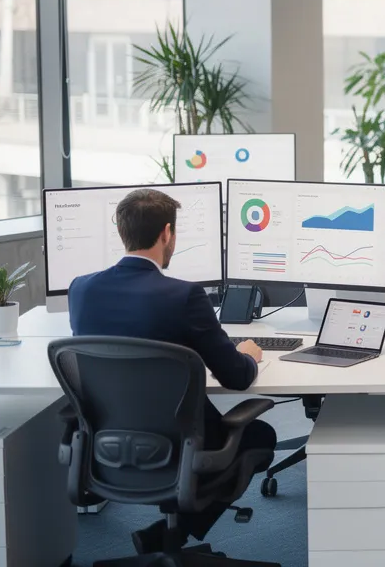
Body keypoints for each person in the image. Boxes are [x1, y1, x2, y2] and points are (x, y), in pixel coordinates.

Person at [68, 189, 275, 555]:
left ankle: (167, 536)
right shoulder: (185, 296)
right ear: (167, 233)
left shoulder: (81, 289)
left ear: (121, 231)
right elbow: (236, 378)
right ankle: (174, 534)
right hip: (181, 450)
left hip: (107, 448)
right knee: (259, 435)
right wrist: (248, 354)